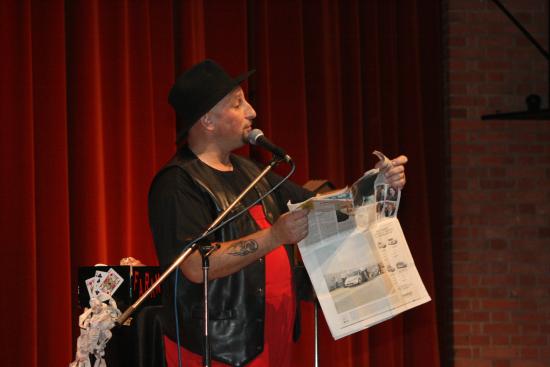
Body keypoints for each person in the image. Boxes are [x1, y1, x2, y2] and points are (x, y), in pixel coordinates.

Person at [148, 59, 407, 367]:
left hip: (272, 341)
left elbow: (320, 207)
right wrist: (274, 236)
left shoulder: (252, 172)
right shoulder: (178, 183)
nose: (252, 112)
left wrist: (374, 184)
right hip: (217, 349)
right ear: (208, 120)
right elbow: (192, 264)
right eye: (237, 104)